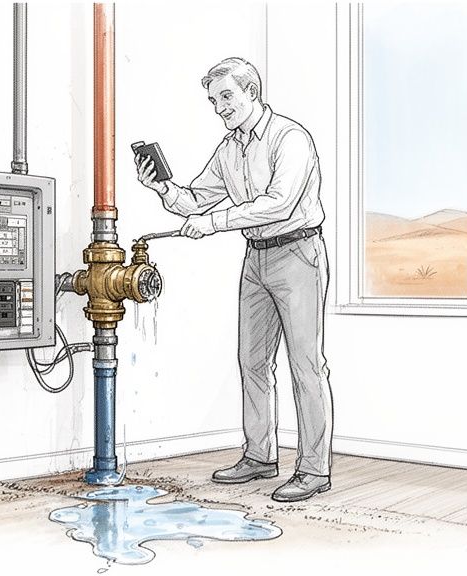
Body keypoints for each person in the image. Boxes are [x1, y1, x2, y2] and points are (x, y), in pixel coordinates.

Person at [134, 57, 333, 502]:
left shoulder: (290, 137)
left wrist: (216, 221)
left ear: (251, 92)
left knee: (306, 364)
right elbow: (195, 199)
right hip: (256, 259)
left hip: (298, 253)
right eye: (213, 100)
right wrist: (163, 189)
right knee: (252, 361)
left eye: (226, 96)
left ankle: (314, 469)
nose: (219, 107)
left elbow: (279, 203)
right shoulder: (228, 149)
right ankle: (260, 457)